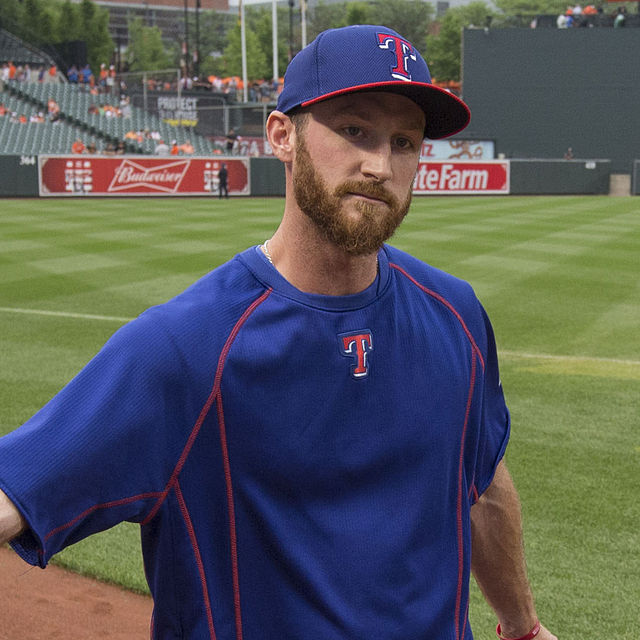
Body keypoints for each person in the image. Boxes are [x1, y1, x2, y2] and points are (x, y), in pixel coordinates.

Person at [0, 25, 557, 640]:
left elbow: (481, 483)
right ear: (281, 135)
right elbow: (15, 493)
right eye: (353, 130)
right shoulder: (187, 348)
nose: (380, 165)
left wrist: (523, 627)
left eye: (405, 142)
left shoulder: (456, 314)